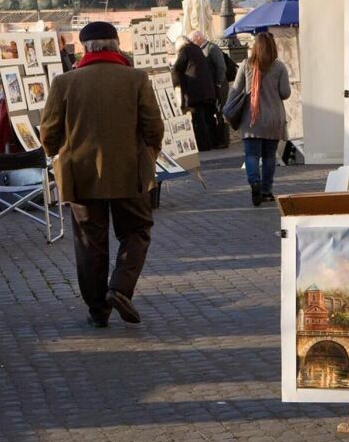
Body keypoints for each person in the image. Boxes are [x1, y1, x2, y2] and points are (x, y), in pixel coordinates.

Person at [40, 21, 164, 328]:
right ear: (116, 45)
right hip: (129, 172)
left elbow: (49, 133)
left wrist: (56, 151)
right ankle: (120, 288)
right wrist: (150, 154)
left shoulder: (64, 83)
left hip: (79, 174)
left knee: (89, 242)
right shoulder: (136, 78)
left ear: (85, 48)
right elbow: (154, 127)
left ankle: (98, 308)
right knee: (136, 230)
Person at [227, 31, 291, 207]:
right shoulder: (279, 67)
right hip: (273, 119)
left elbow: (235, 90)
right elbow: (285, 93)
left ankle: (254, 182)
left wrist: (228, 109)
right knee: (269, 156)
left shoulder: (246, 65)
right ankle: (266, 191)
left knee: (252, 155)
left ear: (255, 47)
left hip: (251, 120)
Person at [171, 35, 217, 151]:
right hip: (206, 89)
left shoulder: (185, 50)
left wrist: (171, 82)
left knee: (198, 120)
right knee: (206, 118)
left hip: (195, 91)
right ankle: (210, 143)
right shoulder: (197, 49)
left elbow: (177, 67)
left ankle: (203, 145)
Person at [191, 30, 230, 149]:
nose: (192, 43)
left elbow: (221, 67)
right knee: (211, 113)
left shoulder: (212, 48)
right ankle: (214, 139)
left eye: (192, 40)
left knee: (220, 112)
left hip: (219, 87)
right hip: (211, 87)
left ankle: (223, 140)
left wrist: (218, 83)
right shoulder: (201, 49)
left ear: (198, 38)